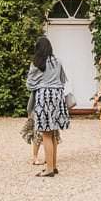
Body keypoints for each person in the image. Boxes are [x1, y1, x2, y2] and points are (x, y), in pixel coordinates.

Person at [26, 36, 70, 177]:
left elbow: (29, 84)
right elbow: (63, 80)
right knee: (53, 133)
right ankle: (54, 166)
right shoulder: (58, 61)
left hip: (44, 97)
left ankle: (49, 169)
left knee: (45, 134)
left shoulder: (37, 63)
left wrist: (41, 85)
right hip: (57, 97)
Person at [19, 89, 44, 165]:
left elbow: (31, 101)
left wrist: (29, 112)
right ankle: (39, 157)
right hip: (42, 113)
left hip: (39, 112)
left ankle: (36, 157)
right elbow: (32, 100)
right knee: (47, 135)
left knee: (39, 135)